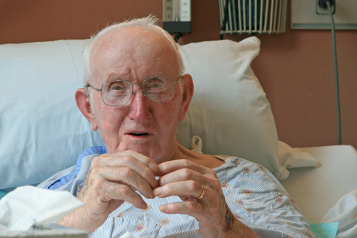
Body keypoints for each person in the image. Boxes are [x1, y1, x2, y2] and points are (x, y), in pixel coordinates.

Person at [38, 16, 315, 238]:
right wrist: (79, 220)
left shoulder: (245, 179)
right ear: (88, 107)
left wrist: (227, 228)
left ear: (183, 97)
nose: (139, 111)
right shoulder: (66, 192)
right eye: (117, 88)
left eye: (156, 86)